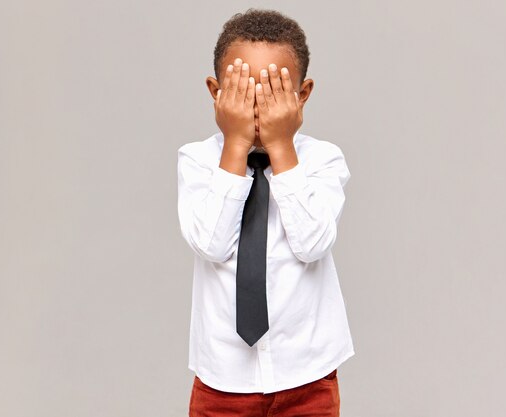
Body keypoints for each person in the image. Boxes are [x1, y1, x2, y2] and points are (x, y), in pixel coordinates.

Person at [177, 8, 354, 417]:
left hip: (307, 374)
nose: (258, 106)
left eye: (274, 91)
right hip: (222, 377)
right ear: (216, 92)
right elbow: (210, 244)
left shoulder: (323, 159)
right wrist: (235, 146)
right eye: (244, 91)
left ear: (302, 94)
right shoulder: (198, 160)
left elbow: (313, 244)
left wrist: (282, 147)